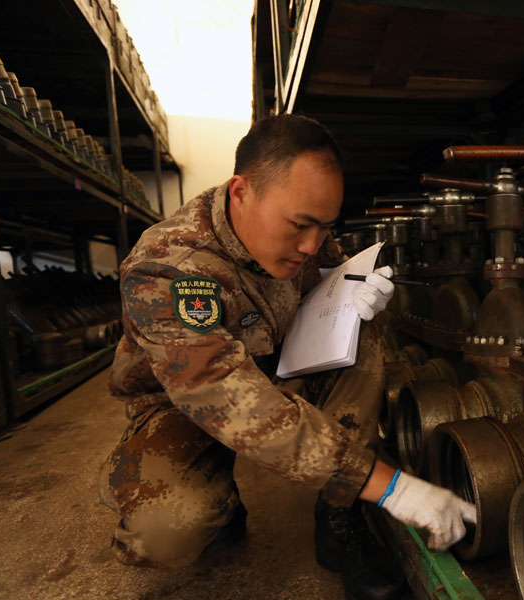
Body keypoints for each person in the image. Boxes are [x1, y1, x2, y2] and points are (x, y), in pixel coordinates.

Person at [98, 114, 475, 600]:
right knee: (167, 532)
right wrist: (388, 486)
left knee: (361, 336)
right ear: (241, 192)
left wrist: (353, 298)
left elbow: (327, 285)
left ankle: (340, 513)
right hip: (182, 405)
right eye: (300, 224)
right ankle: (208, 499)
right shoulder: (168, 266)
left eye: (325, 227)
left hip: (276, 369)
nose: (312, 245)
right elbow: (220, 393)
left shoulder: (308, 240)